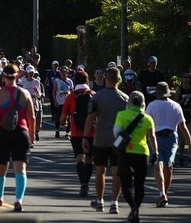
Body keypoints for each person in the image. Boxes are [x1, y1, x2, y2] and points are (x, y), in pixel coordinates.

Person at [0, 64, 36, 212]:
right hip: (21, 133)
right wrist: (32, 135)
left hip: (2, 133)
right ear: (17, 77)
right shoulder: (25, 93)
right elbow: (32, 117)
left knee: (0, 167)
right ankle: (18, 200)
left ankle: (0, 196)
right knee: (20, 168)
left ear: (3, 77)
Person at [83, 67, 129, 214]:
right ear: (119, 79)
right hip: (118, 139)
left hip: (100, 137)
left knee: (100, 170)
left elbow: (90, 118)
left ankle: (100, 201)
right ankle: (114, 202)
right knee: (116, 170)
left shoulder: (97, 97)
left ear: (105, 78)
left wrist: (85, 137)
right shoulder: (125, 98)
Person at [146, 81, 191, 207]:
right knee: (167, 166)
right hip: (171, 137)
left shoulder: (152, 105)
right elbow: (183, 127)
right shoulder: (175, 105)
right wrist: (190, 143)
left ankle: (163, 193)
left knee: (159, 165)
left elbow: (146, 124)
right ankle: (163, 193)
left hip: (156, 137)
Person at [114, 91, 158, 223]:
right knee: (139, 184)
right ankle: (136, 209)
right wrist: (155, 153)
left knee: (126, 182)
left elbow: (116, 133)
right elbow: (152, 137)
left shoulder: (122, 115)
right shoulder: (147, 118)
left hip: (126, 152)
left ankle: (133, 208)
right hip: (142, 153)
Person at [60, 71, 95, 197]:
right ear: (87, 80)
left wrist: (64, 123)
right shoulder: (94, 95)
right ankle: (87, 182)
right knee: (89, 159)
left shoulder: (71, 97)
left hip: (76, 132)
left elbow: (63, 119)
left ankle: (83, 183)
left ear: (75, 81)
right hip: (92, 132)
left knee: (80, 157)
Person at [175, 73, 191, 167]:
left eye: (188, 77)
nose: (186, 79)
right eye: (184, 77)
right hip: (182, 114)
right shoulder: (179, 90)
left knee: (190, 135)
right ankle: (180, 157)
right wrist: (183, 100)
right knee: (182, 137)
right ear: (182, 79)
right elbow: (175, 102)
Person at [19, 64, 43, 141]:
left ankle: (33, 134)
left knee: (33, 119)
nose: (31, 74)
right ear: (27, 72)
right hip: (25, 102)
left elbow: (39, 94)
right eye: (29, 72)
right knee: (26, 119)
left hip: (34, 102)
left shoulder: (36, 82)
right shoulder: (22, 81)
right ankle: (27, 135)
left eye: (32, 72)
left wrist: (37, 93)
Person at [53, 66, 74, 138]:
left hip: (67, 102)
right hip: (59, 101)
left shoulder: (70, 81)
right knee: (58, 116)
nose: (63, 73)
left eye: (64, 71)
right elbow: (54, 92)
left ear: (67, 72)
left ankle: (67, 133)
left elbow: (72, 91)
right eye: (61, 71)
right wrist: (55, 101)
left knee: (68, 118)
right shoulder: (57, 81)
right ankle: (57, 131)